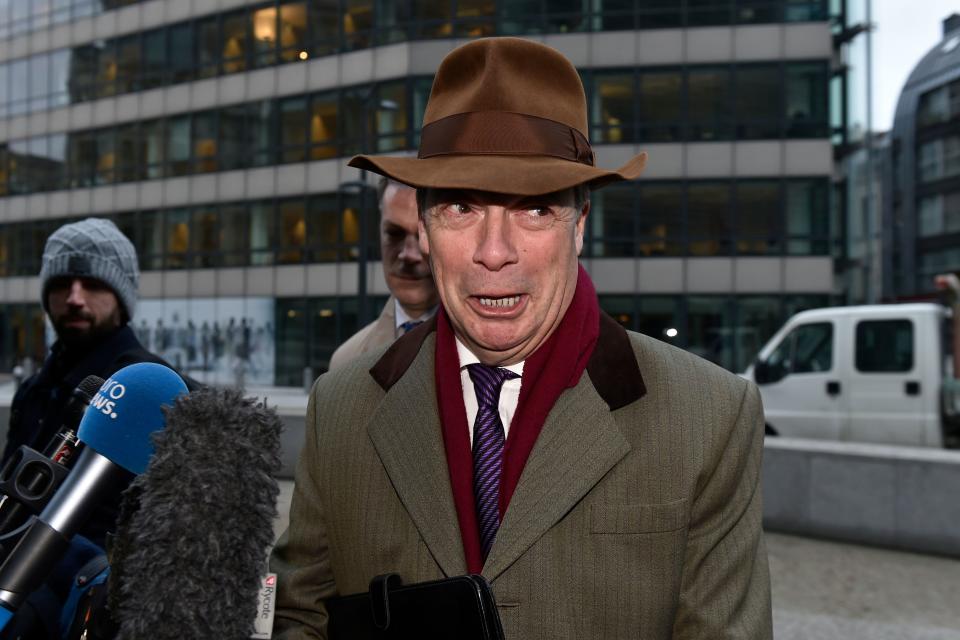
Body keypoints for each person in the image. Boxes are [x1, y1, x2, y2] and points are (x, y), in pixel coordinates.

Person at [271, 37, 772, 639]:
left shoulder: (709, 417)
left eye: (534, 209)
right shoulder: (342, 409)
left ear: (580, 224)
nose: (494, 252)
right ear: (425, 225)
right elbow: (300, 618)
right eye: (461, 208)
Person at [1, 218, 193, 639]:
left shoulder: (154, 389)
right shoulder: (35, 388)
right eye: (62, 283)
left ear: (121, 297)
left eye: (91, 284)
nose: (74, 298)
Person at [328, 178, 439, 370]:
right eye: (394, 233)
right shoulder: (345, 363)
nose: (409, 254)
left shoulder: (495, 354)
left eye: (424, 235)